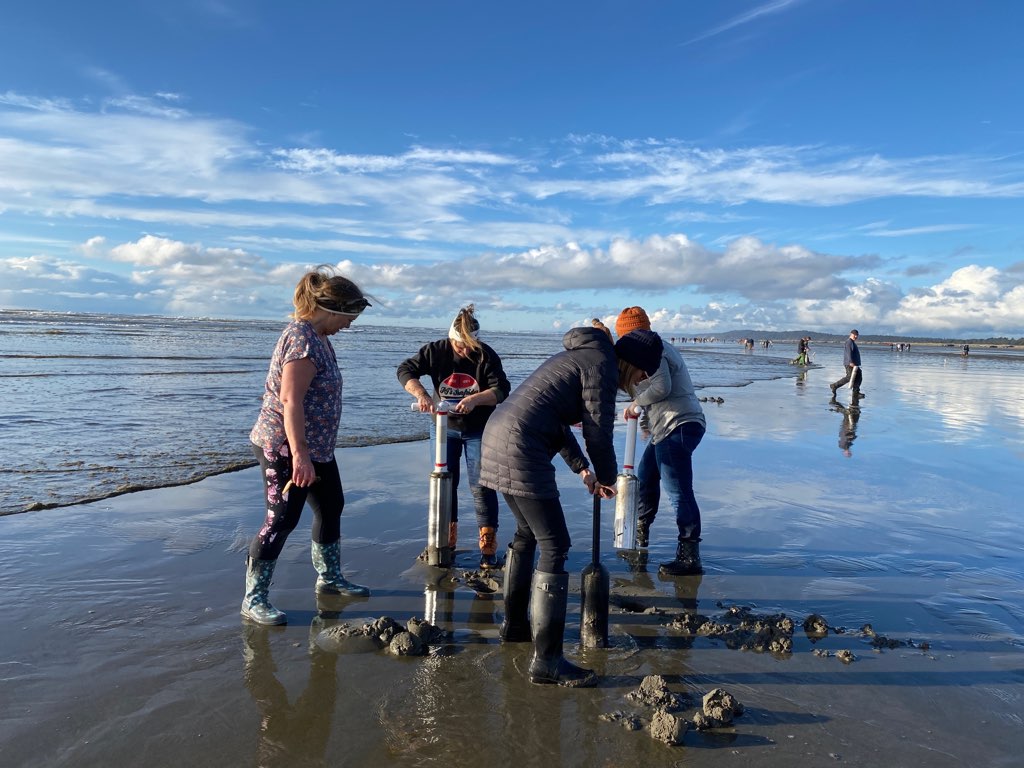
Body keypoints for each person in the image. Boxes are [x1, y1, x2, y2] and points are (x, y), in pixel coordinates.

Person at [480, 323, 661, 687]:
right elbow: (597, 430)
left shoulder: (581, 357)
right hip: (521, 448)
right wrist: (609, 478)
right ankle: (547, 661)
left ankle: (514, 628)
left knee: (527, 534)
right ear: (633, 363)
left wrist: (584, 471)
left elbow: (556, 421)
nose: (641, 381)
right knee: (555, 544)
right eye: (644, 373)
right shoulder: (602, 367)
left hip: (495, 436)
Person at [242, 266, 372, 625]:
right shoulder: (301, 339)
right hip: (285, 447)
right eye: (348, 318)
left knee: (331, 506)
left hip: (315, 449)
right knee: (281, 519)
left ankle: (329, 579)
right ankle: (254, 600)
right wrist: (299, 455)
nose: (349, 325)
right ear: (331, 310)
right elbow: (290, 401)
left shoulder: (319, 337)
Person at [397, 305, 512, 568]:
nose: (465, 351)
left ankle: (488, 546)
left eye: (470, 345)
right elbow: (405, 370)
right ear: (451, 339)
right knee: (445, 484)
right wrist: (421, 394)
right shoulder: (435, 350)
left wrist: (476, 399)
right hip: (443, 427)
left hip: (479, 429)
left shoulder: (486, 355)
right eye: (460, 346)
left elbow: (501, 389)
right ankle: (446, 541)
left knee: (481, 486)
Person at [616, 319, 707, 576]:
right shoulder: (657, 349)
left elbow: (661, 387)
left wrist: (635, 404)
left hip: (676, 425)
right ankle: (639, 539)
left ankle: (689, 557)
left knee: (678, 492)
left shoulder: (656, 351)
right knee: (645, 479)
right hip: (667, 427)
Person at [830, 329, 863, 399]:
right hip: (850, 364)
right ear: (851, 334)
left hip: (854, 364)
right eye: (855, 335)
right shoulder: (849, 342)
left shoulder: (852, 342)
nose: (856, 336)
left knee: (859, 376)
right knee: (849, 377)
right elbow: (848, 352)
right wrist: (850, 362)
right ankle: (834, 386)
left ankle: (856, 392)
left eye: (857, 335)